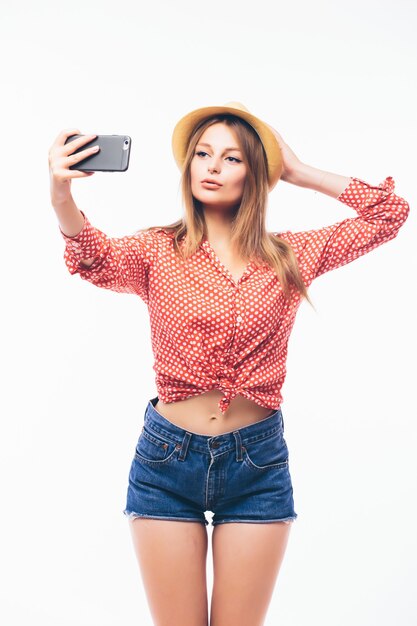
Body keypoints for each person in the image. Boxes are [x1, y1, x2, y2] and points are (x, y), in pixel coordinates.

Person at [48, 102, 410, 626]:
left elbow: (389, 214)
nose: (212, 166)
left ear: (257, 174)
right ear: (188, 166)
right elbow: (91, 255)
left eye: (232, 158)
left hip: (257, 467)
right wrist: (61, 193)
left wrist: (300, 171)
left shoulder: (290, 255)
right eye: (202, 153)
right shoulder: (156, 251)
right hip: (166, 464)